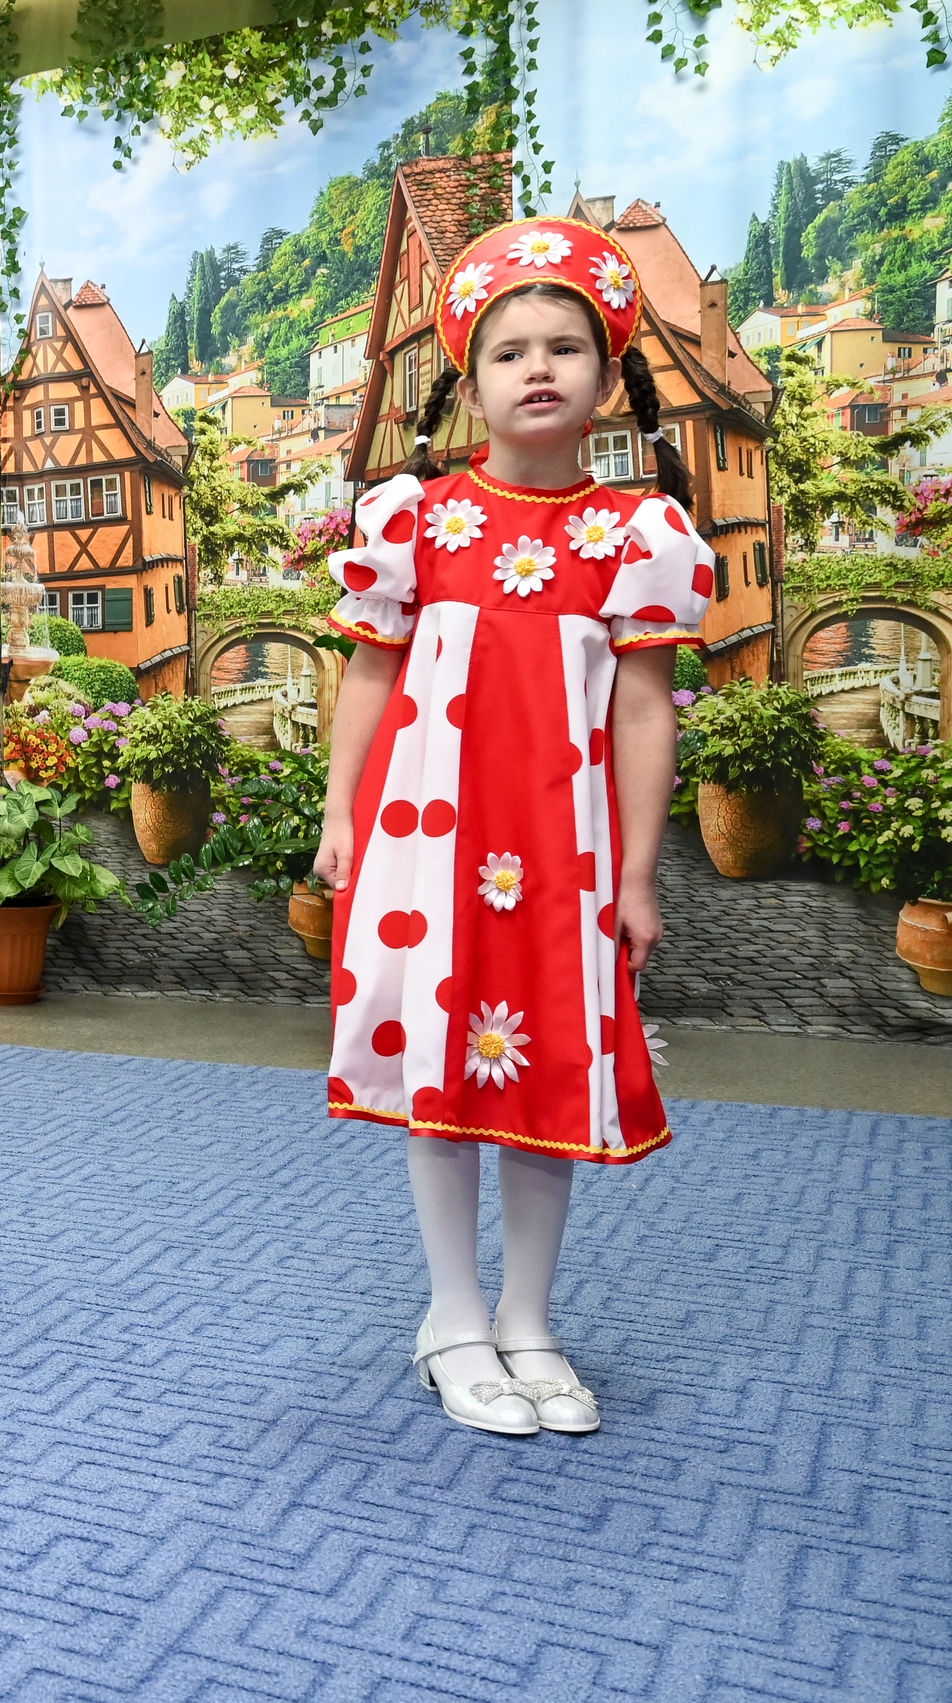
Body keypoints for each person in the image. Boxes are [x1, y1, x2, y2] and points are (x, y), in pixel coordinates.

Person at [312, 219, 711, 1437]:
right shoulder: (415, 519)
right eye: (508, 351)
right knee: (440, 1055)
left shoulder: (636, 537)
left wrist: (636, 873)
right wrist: (338, 812)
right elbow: (370, 675)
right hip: (426, 840)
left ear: (608, 377)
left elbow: (642, 712)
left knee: (540, 1063)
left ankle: (528, 1319)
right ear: (468, 382)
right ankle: (452, 1315)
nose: (537, 368)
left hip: (561, 850)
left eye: (564, 348)